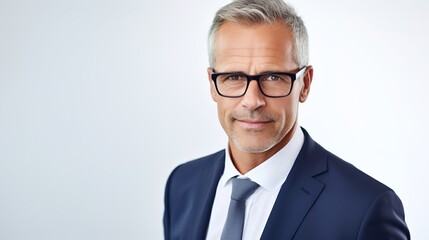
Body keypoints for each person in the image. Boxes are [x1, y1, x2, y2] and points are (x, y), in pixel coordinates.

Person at [163, 0, 410, 239]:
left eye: (273, 77)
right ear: (212, 85)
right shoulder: (182, 185)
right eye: (234, 77)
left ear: (305, 84)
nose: (252, 101)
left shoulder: (365, 208)